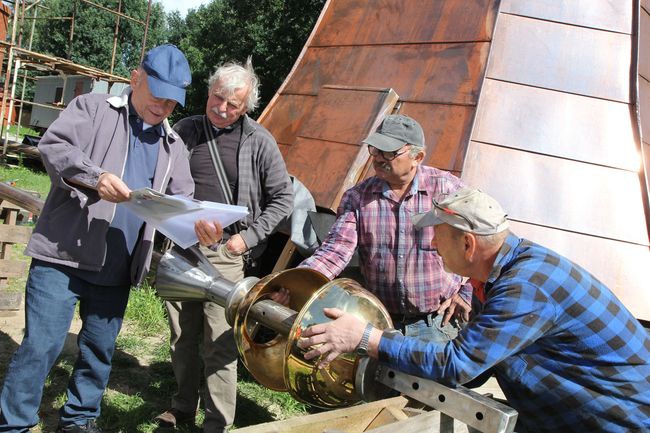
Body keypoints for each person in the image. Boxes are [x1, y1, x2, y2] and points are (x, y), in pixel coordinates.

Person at [0, 44, 224, 433]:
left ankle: (79, 420)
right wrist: (94, 176)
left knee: (99, 352)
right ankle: (14, 424)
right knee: (42, 346)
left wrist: (202, 228)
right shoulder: (93, 108)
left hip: (117, 266)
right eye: (158, 95)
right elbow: (55, 146)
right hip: (63, 256)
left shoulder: (174, 147)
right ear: (135, 79)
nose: (164, 106)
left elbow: (182, 202)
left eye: (173, 101)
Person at [298, 187, 650, 432]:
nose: (432, 246)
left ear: (468, 244)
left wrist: (369, 338)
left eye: (438, 236)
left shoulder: (525, 287)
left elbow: (459, 364)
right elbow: (480, 361)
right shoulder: (499, 274)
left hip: (613, 421)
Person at [155, 59, 293, 433]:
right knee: (182, 337)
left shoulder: (260, 140)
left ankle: (217, 423)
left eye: (233, 105)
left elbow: (283, 199)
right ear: (209, 91)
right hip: (182, 247)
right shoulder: (184, 129)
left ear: (246, 107)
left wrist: (244, 239)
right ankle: (182, 407)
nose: (222, 109)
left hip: (226, 255)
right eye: (217, 98)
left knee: (218, 343)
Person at [298, 114, 472, 341]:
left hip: (436, 324)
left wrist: (467, 292)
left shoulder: (448, 189)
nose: (378, 158)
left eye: (389, 152)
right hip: (379, 324)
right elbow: (334, 251)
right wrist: (297, 282)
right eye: (375, 149)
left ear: (417, 156)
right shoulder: (358, 196)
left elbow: (484, 243)